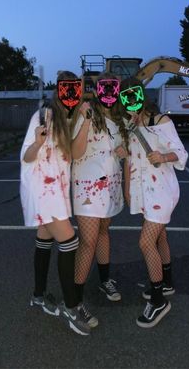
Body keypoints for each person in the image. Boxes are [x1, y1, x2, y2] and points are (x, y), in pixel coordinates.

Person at [20, 71, 91, 336]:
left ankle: (38, 296)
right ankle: (71, 307)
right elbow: (26, 157)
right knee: (70, 241)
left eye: (76, 89)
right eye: (67, 89)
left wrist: (84, 123)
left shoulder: (66, 119)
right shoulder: (42, 116)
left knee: (44, 239)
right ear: (58, 91)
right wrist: (37, 142)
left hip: (57, 192)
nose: (71, 94)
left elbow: (74, 154)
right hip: (42, 191)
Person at [120, 77, 188, 328]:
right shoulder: (130, 123)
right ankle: (167, 282)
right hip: (143, 191)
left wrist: (163, 155)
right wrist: (127, 188)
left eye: (133, 95)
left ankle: (158, 299)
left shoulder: (161, 122)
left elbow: (181, 154)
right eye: (124, 97)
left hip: (161, 191)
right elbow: (128, 158)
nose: (130, 101)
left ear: (142, 95)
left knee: (145, 241)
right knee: (160, 237)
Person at [71, 73, 129, 322]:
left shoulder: (120, 119)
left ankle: (105, 280)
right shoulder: (84, 113)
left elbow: (126, 154)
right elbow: (75, 152)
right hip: (87, 190)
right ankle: (74, 301)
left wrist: (124, 152)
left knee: (104, 233)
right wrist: (84, 121)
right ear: (96, 90)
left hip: (111, 188)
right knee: (88, 242)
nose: (107, 93)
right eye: (103, 88)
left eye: (112, 88)